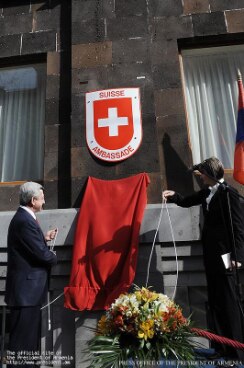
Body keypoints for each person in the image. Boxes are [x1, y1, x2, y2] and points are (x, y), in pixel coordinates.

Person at [163, 157, 244, 361]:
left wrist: (238, 257)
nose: (200, 177)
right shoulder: (208, 192)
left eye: (202, 174)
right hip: (211, 255)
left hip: (226, 256)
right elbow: (187, 201)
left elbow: (239, 227)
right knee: (215, 301)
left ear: (209, 175)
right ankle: (220, 348)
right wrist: (174, 196)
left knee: (228, 301)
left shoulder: (228, 194)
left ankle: (235, 352)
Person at [5, 182, 57, 367]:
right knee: (22, 346)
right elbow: (41, 254)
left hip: (27, 294)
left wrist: (43, 237)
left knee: (27, 345)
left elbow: (28, 243)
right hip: (25, 294)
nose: (44, 202)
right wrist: (53, 256)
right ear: (33, 200)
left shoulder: (24, 218)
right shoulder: (24, 221)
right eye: (42, 198)